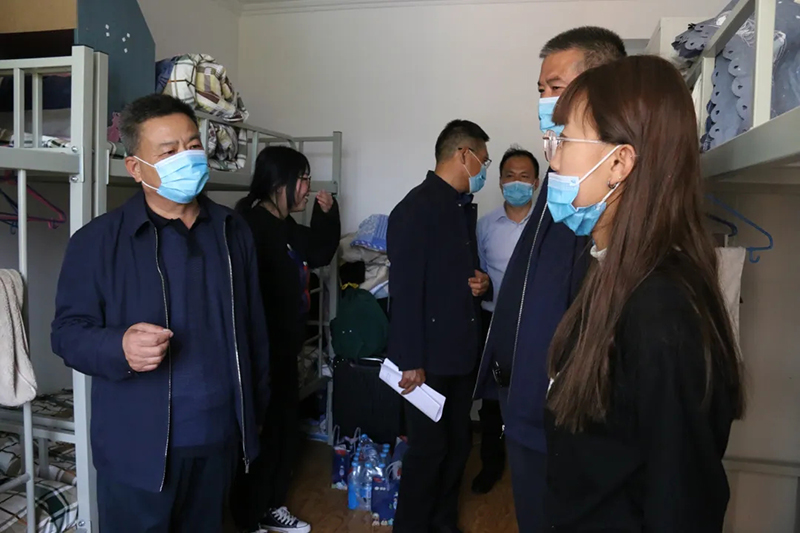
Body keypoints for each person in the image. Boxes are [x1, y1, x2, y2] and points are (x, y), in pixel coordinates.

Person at [543, 54, 745, 532]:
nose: (553, 158)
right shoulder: (613, 271)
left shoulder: (662, 310)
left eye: (564, 140)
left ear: (619, 162)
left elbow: (680, 503)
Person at [50, 94, 270, 532]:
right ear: (136, 168)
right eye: (169, 152)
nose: (186, 158)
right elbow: (66, 333)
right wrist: (119, 346)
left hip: (219, 441)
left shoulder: (233, 231)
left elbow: (254, 331)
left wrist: (254, 417)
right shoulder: (97, 241)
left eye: (193, 145)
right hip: (138, 449)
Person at [474, 26, 626, 532]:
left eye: (556, 87)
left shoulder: (602, 194)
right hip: (522, 402)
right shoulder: (559, 181)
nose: (544, 101)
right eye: (541, 89)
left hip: (558, 417)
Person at [230, 146, 340, 533]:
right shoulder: (249, 226)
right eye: (303, 179)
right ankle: (251, 516)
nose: (308, 186)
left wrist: (327, 213)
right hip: (260, 352)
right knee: (263, 437)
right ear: (280, 183)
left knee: (282, 434)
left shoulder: (283, 223)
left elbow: (320, 252)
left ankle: (269, 507)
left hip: (283, 348)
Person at [388, 119, 491, 533]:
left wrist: (481, 283)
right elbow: (405, 291)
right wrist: (410, 360)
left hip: (459, 351)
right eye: (483, 160)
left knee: (458, 445)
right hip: (426, 360)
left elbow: (455, 276)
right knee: (428, 452)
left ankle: (444, 523)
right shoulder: (415, 209)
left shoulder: (461, 208)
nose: (484, 170)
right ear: (463, 155)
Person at [472, 146, 540, 495]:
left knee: (536, 398)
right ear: (499, 182)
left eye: (524, 177)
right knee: (492, 401)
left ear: (536, 183)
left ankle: (534, 469)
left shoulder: (548, 227)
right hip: (495, 324)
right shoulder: (484, 227)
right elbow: (479, 274)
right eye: (510, 176)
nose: (517, 183)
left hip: (535, 327)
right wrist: (482, 285)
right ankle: (491, 464)